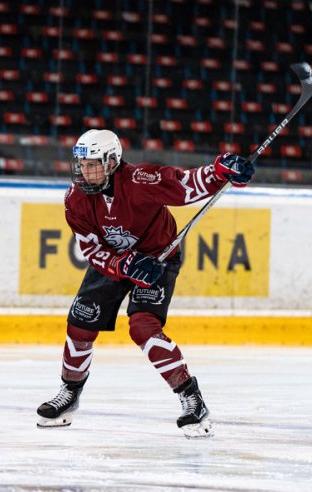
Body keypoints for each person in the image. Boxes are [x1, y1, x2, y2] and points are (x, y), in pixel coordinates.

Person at [36, 129, 255, 438]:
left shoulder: (140, 180)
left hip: (158, 259)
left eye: (93, 164)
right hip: (114, 263)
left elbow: (184, 185)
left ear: (112, 161)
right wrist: (121, 264)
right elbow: (91, 250)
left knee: (143, 327)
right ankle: (70, 394)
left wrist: (220, 170)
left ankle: (192, 399)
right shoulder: (76, 199)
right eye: (82, 165)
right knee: (80, 324)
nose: (86, 171)